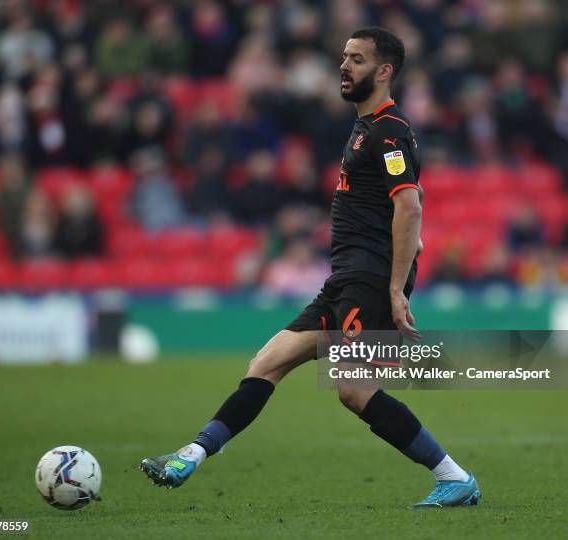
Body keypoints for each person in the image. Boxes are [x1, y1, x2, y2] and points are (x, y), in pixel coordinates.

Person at [140, 27, 481, 509]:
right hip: (344, 279)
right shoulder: (364, 128)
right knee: (266, 363)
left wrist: (397, 288)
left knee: (355, 390)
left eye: (358, 59)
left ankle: (455, 478)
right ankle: (189, 456)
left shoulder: (389, 131)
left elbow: (410, 207)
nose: (344, 66)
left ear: (384, 72)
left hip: (369, 278)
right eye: (344, 56)